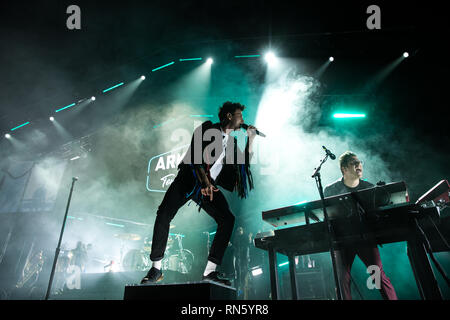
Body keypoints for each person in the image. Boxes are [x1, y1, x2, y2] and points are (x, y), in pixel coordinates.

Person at [141, 101, 257, 285]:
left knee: (227, 219)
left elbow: (243, 165)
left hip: (208, 186)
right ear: (229, 116)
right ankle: (156, 268)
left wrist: (251, 138)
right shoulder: (208, 129)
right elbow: (195, 159)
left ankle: (210, 271)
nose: (243, 119)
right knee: (164, 214)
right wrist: (204, 182)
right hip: (188, 180)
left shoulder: (232, 142)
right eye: (240, 115)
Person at [323, 151, 398, 300]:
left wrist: (381, 195)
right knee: (342, 278)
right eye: (353, 163)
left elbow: (377, 215)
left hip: (365, 238)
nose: (358, 165)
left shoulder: (369, 187)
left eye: (359, 162)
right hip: (343, 240)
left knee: (377, 275)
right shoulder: (330, 190)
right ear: (344, 169)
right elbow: (327, 215)